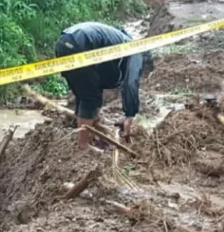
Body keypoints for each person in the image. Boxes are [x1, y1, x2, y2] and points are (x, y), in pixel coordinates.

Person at [55, 22, 153, 150]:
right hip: (80, 44)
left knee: (85, 92)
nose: (140, 75)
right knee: (90, 98)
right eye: (143, 72)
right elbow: (130, 84)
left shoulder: (121, 46)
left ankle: (84, 132)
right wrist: (130, 115)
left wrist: (95, 113)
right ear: (145, 62)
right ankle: (83, 145)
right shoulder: (136, 54)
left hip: (64, 42)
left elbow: (96, 81)